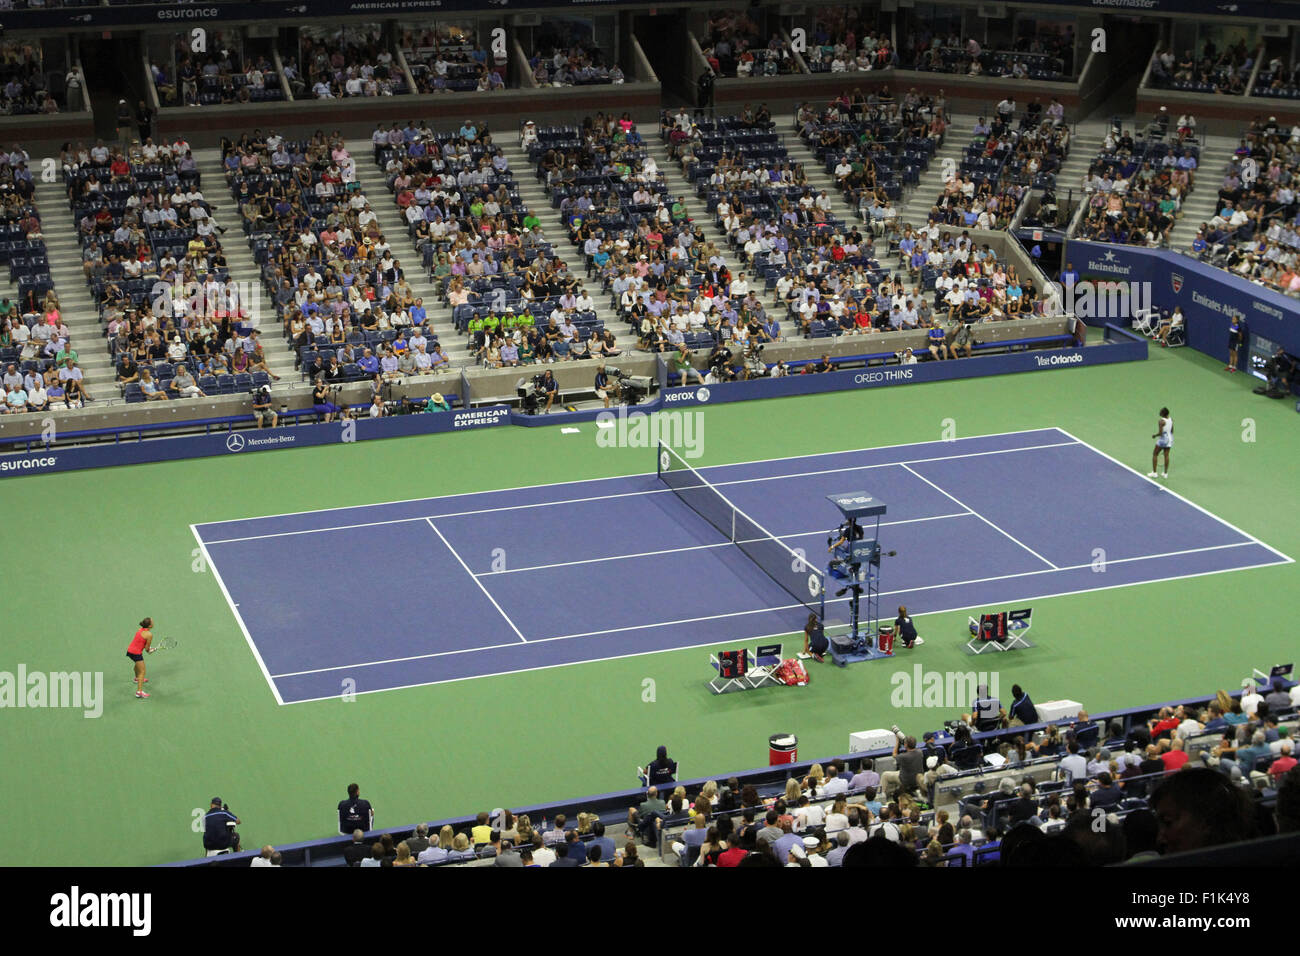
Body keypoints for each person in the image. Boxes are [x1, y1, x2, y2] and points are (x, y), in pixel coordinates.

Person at [125, 616, 156, 699]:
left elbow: (141, 643)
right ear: (149, 626)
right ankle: (139, 692)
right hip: (136, 653)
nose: (153, 622)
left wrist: (149, 649)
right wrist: (152, 650)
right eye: (152, 622)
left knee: (137, 665)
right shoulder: (149, 634)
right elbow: (147, 650)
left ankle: (136, 679)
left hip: (130, 651)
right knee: (142, 671)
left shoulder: (140, 630)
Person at [1149, 406, 1172, 479]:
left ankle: (1154, 473)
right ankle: (1165, 474)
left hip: (1163, 439)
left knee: (1155, 454)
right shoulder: (1171, 420)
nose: (1159, 412)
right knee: (1166, 455)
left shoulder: (1161, 421)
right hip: (1170, 438)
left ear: (1163, 413)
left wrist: (1155, 435)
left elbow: (1160, 433)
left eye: (1161, 411)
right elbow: (1172, 431)